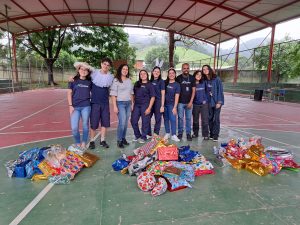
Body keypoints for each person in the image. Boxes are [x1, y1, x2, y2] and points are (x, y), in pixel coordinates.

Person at [89, 58, 114, 149]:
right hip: (95, 103)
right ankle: (92, 140)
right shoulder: (93, 74)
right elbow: (81, 74)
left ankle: (102, 140)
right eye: (104, 64)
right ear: (101, 64)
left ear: (109, 67)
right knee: (94, 123)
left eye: (108, 65)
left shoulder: (111, 77)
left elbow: (112, 89)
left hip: (105, 103)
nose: (106, 66)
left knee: (105, 122)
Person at [67, 62, 93, 149]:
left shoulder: (90, 82)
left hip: (86, 106)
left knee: (85, 125)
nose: (83, 71)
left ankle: (84, 142)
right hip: (75, 107)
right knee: (74, 127)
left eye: (86, 70)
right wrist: (70, 105)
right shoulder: (73, 80)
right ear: (78, 70)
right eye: (82, 69)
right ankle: (77, 142)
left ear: (88, 72)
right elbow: (69, 93)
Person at [110, 64, 134, 148]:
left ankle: (123, 138)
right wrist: (115, 106)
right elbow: (113, 94)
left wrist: (132, 104)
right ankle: (119, 140)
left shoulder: (129, 80)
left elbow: (131, 93)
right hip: (120, 104)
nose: (125, 70)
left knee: (125, 123)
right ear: (120, 70)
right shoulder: (116, 80)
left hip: (128, 103)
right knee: (122, 122)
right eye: (124, 69)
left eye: (127, 69)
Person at [131, 70, 155, 143]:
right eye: (141, 74)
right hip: (137, 105)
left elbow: (153, 97)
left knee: (145, 122)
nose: (143, 75)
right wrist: (132, 104)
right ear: (139, 75)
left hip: (145, 105)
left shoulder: (150, 85)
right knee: (133, 120)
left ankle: (143, 136)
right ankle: (138, 135)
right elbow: (133, 94)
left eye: (144, 73)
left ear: (147, 75)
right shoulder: (136, 84)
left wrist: (149, 108)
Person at [202, 64, 224, 142]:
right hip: (209, 102)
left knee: (216, 119)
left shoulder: (216, 79)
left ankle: (215, 135)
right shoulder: (204, 80)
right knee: (210, 118)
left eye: (206, 69)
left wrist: (219, 102)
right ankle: (211, 134)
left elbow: (220, 91)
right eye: (203, 70)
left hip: (217, 102)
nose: (205, 71)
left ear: (209, 69)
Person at [176, 63, 196, 141]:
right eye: (184, 68)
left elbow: (194, 91)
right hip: (180, 102)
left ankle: (188, 133)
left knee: (188, 118)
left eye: (187, 68)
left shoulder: (192, 78)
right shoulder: (178, 78)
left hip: (189, 103)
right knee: (180, 118)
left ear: (189, 69)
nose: (186, 69)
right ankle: (180, 133)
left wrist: (191, 102)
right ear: (182, 69)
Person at [163, 68, 181, 142]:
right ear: (168, 75)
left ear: (175, 74)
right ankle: (167, 133)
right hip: (164, 104)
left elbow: (177, 96)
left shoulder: (177, 84)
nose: (171, 74)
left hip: (172, 105)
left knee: (173, 119)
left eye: (173, 73)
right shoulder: (165, 83)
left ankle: (173, 134)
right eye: (170, 73)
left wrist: (175, 107)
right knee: (166, 119)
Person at [148, 66, 165, 137]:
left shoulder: (161, 81)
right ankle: (148, 133)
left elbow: (163, 94)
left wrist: (162, 105)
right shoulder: (149, 81)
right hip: (150, 102)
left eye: (158, 72)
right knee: (147, 117)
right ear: (152, 72)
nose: (156, 73)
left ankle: (156, 134)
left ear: (160, 73)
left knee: (158, 119)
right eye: (155, 71)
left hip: (158, 102)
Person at [192, 70, 209, 140]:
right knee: (195, 120)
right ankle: (195, 133)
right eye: (197, 74)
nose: (199, 76)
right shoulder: (192, 84)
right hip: (195, 104)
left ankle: (205, 134)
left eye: (200, 75)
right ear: (195, 75)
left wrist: (205, 100)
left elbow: (208, 92)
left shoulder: (204, 82)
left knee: (204, 120)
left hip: (204, 104)